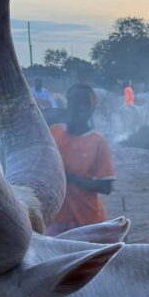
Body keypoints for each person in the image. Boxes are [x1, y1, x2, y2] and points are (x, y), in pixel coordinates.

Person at [45, 83, 116, 236]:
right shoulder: (53, 132)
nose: (81, 107)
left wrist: (70, 178)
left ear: (93, 108)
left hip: (87, 221)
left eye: (86, 103)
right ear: (68, 105)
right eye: (76, 102)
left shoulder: (98, 142)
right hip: (54, 220)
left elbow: (106, 187)